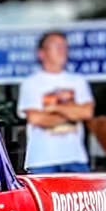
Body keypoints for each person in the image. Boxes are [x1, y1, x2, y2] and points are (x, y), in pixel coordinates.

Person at [18, 30, 94, 174]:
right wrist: (72, 113)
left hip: (76, 159)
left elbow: (87, 112)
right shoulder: (31, 83)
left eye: (64, 46)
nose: (62, 51)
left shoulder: (78, 81)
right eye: (56, 46)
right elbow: (36, 118)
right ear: (41, 54)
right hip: (42, 161)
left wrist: (53, 108)